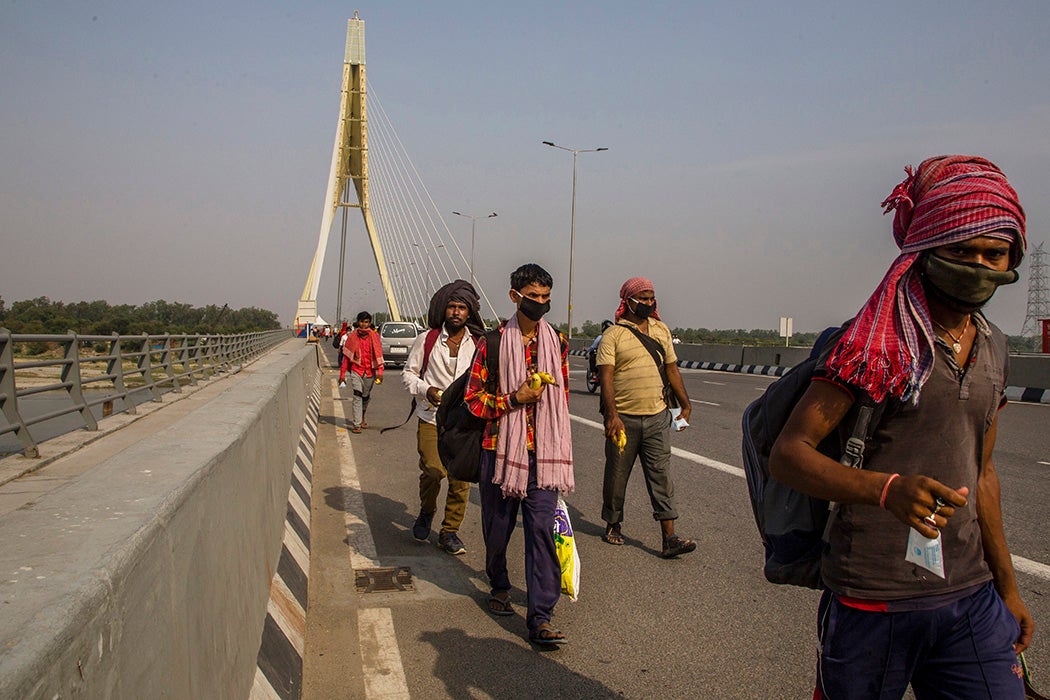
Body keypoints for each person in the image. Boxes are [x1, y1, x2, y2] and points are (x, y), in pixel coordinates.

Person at [770, 155, 1034, 699]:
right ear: (928, 247)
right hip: (873, 595)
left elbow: (983, 474)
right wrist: (887, 490)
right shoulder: (870, 348)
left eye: (994, 253)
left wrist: (1008, 588)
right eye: (961, 250)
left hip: (970, 595)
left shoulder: (996, 348)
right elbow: (790, 453)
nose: (979, 265)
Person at [464, 263, 573, 646]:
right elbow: (473, 402)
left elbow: (562, 395)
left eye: (545, 297)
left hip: (541, 456)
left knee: (541, 530)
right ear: (515, 297)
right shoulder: (491, 344)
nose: (540, 303)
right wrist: (514, 399)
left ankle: (540, 616)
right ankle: (498, 583)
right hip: (499, 453)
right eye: (533, 297)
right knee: (497, 530)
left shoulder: (557, 342)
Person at [596, 277, 695, 558]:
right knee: (617, 475)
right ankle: (613, 522)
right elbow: (607, 379)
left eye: (652, 298)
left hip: (657, 417)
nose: (649, 303)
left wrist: (685, 405)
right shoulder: (613, 335)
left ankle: (669, 537)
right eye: (643, 298)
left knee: (661, 476)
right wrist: (611, 415)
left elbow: (673, 370)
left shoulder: (661, 331)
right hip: (623, 419)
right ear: (627, 302)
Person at [401, 281, 485, 554]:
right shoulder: (427, 339)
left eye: (462, 307)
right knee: (434, 471)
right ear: (444, 310)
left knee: (460, 480)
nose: (456, 312)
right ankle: (427, 511)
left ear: (469, 312)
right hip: (430, 416)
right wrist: (426, 390)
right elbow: (409, 374)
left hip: (464, 422)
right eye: (452, 306)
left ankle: (449, 531)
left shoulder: (479, 344)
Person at [340, 311, 383, 434]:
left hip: (370, 372)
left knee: (365, 396)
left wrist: (380, 372)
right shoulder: (352, 337)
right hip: (356, 370)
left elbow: (379, 355)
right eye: (362, 321)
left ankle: (362, 415)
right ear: (358, 322)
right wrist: (342, 375)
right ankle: (357, 423)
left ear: (369, 323)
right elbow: (346, 358)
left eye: (366, 322)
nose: (364, 324)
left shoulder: (374, 337)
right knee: (357, 395)